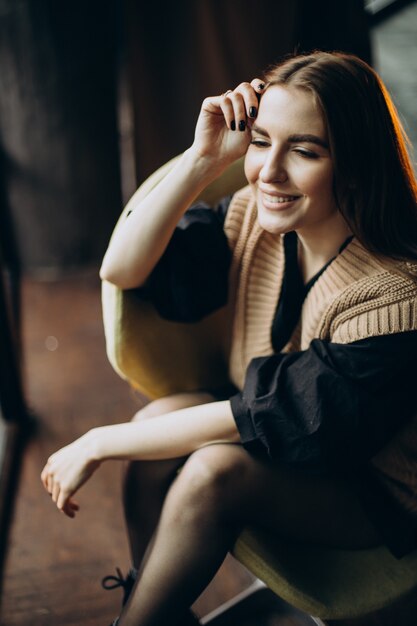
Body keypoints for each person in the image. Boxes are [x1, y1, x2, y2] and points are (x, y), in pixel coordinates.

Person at [41, 51, 417, 626]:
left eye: (305, 150)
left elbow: (287, 413)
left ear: (357, 162)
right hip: (284, 438)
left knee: (211, 473)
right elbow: (121, 270)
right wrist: (199, 161)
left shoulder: (395, 296)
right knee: (149, 433)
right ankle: (154, 606)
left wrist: (96, 440)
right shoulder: (254, 220)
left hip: (373, 493)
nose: (269, 171)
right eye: (261, 140)